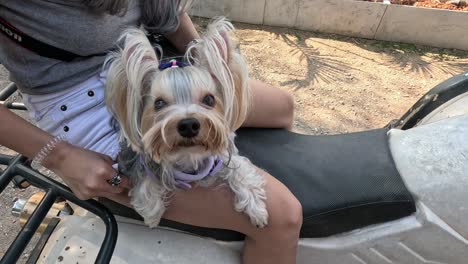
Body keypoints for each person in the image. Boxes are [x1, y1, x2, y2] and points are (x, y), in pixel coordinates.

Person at [0, 1, 301, 263]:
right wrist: (58, 156)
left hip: (150, 71)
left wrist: (203, 70)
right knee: (281, 216)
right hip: (76, 97)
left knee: (282, 106)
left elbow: (162, 13)